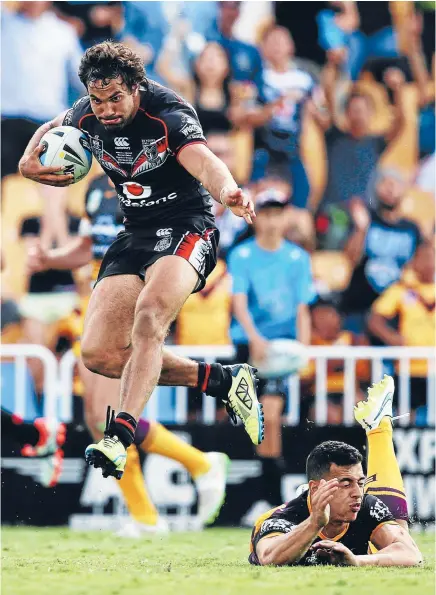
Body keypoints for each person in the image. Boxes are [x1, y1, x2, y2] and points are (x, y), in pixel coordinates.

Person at [19, 41, 264, 481]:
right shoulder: (85, 113)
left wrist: (228, 191)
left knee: (150, 316)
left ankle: (120, 435)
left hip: (188, 226)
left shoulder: (168, 114)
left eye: (116, 98)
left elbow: (205, 163)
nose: (107, 110)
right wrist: (25, 163)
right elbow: (52, 125)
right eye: (98, 100)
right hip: (134, 233)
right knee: (99, 354)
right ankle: (223, 381)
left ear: (137, 87)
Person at [28, 173, 229, 530]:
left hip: (129, 301)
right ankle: (193, 469)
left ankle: (153, 513)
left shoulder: (157, 183)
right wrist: (51, 258)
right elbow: (89, 245)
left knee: (108, 417)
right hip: (97, 305)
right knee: (96, 418)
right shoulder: (96, 188)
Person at [249, 375, 422, 567]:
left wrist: (356, 560)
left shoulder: (365, 506)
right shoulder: (283, 518)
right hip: (306, 521)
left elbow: (412, 554)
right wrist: (315, 523)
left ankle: (379, 429)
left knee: (399, 529)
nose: (357, 493)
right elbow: (268, 558)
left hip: (368, 550)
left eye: (360, 483)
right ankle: (379, 428)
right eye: (345, 483)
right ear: (315, 489)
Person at [227, 189, 314, 508]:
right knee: (254, 418)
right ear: (255, 217)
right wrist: (254, 339)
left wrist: (303, 349)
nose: (273, 220)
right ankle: (266, 490)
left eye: (279, 213)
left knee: (270, 414)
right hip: (246, 345)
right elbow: (238, 302)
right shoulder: (242, 255)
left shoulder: (297, 257)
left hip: (281, 349)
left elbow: (303, 307)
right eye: (266, 213)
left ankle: (271, 495)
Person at [237, 25, 329, 209]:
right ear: (263, 47)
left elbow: (325, 119)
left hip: (295, 150)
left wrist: (313, 111)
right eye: (272, 41)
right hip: (264, 150)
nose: (278, 46)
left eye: (282, 40)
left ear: (291, 46)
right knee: (254, 205)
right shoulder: (256, 78)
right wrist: (272, 107)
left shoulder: (306, 79)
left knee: (301, 203)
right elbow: (247, 116)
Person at [340, 169, 423, 332]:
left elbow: (417, 269)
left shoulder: (412, 228)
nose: (390, 189)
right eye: (385, 183)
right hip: (360, 306)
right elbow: (350, 259)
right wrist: (361, 230)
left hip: (395, 312)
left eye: (395, 184)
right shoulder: (366, 220)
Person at [321, 53, 407, 208]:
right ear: (346, 113)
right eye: (354, 109)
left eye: (363, 110)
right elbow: (328, 94)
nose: (359, 114)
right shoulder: (335, 136)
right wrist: (332, 64)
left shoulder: (375, 143)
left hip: (364, 211)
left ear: (371, 114)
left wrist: (398, 91)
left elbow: (400, 124)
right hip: (332, 210)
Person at [368, 242, 435, 417]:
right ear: (414, 261)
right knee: (406, 417)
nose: (429, 262)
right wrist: (391, 337)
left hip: (434, 366)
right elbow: (374, 319)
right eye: (424, 258)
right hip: (408, 367)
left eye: (432, 257)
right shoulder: (402, 289)